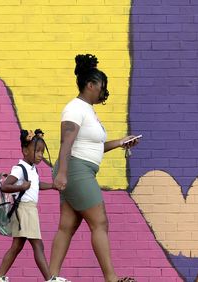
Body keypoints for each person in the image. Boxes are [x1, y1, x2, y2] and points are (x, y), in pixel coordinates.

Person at [49, 54, 139, 282]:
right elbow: (66, 141)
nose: (104, 90)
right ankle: (111, 278)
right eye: (102, 85)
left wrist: (120, 142)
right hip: (76, 169)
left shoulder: (88, 110)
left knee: (67, 226)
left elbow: (94, 146)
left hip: (79, 169)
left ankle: (52, 277)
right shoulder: (74, 108)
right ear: (90, 84)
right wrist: (61, 173)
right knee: (99, 222)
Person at [0, 129, 61, 282]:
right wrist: (21, 187)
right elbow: (5, 186)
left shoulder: (32, 169)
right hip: (24, 210)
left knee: (17, 246)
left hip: (29, 210)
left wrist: (53, 186)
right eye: (37, 151)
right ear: (25, 150)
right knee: (37, 245)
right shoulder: (19, 169)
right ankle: (49, 279)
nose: (40, 154)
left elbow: (37, 185)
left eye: (42, 151)